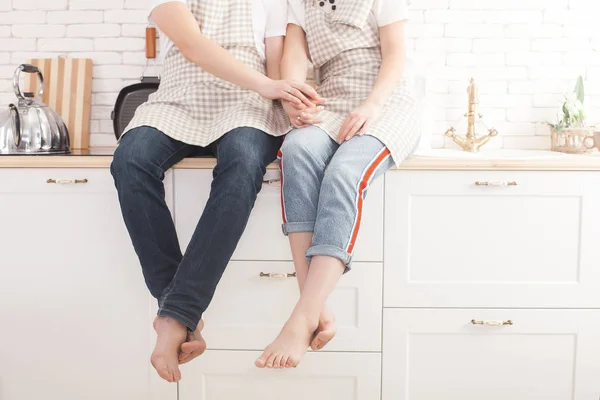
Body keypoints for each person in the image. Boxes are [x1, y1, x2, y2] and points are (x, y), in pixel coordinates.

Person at [110, 0, 321, 383]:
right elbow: (191, 45)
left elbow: (275, 62)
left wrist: (289, 104)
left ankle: (174, 317)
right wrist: (269, 85)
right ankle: (179, 310)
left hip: (246, 103)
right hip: (179, 97)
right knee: (130, 160)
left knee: (242, 164)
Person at [255, 0, 420, 369]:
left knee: (344, 171)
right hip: (331, 103)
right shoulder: (299, 3)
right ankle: (314, 308)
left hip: (385, 103)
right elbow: (295, 59)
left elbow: (395, 56)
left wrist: (372, 106)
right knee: (295, 150)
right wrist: (297, 103)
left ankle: (300, 319)